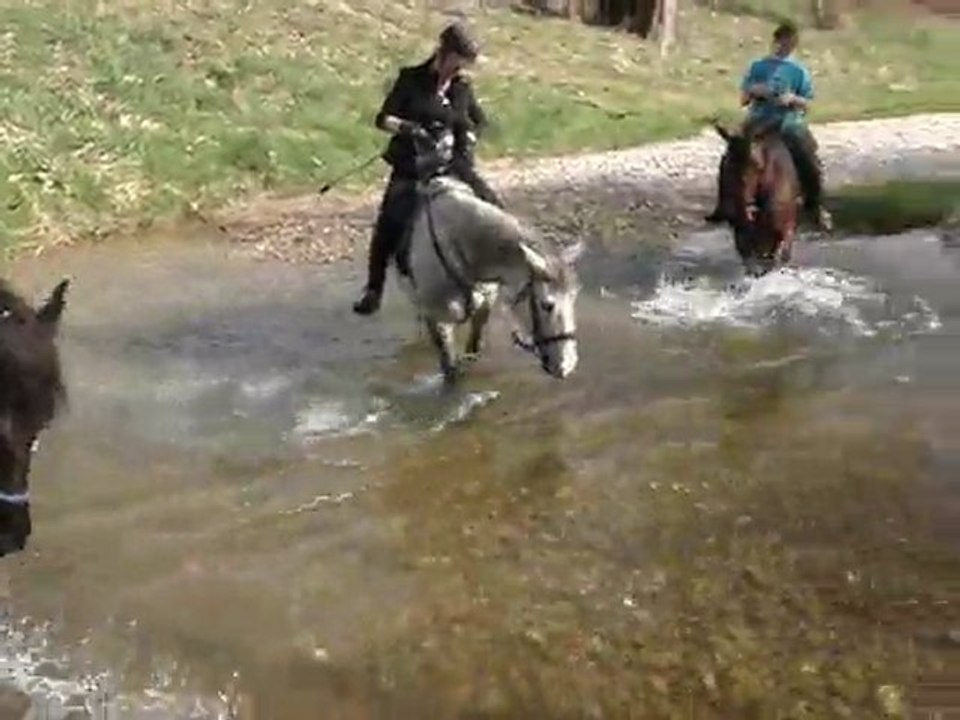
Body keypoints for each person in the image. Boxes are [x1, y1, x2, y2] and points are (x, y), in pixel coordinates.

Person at [353, 22, 503, 316]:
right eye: (458, 62)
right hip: (413, 165)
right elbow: (383, 119)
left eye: (464, 65)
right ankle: (373, 289)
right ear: (444, 53)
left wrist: (471, 134)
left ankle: (503, 274)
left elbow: (479, 120)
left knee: (494, 203)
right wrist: (410, 128)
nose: (460, 70)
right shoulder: (411, 79)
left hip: (453, 165)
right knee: (389, 220)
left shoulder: (461, 87)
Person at [705, 20, 833, 232]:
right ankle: (724, 204)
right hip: (758, 120)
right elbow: (744, 99)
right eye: (782, 41)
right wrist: (755, 91)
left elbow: (807, 103)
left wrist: (792, 99)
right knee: (732, 154)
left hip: (788, 122)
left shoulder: (799, 71)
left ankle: (815, 205)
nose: (786, 46)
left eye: (790, 42)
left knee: (808, 157)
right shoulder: (759, 67)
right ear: (775, 42)